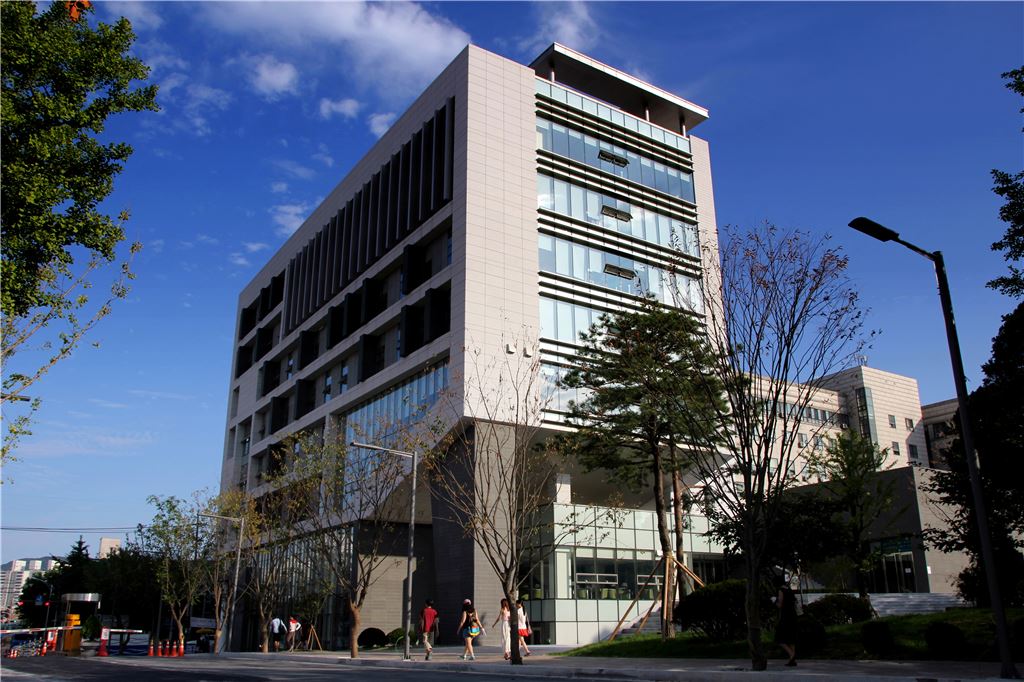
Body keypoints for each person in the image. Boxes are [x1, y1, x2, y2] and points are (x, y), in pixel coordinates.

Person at [775, 575, 798, 667]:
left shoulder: (781, 590)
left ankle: (792, 655)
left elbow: (780, 604)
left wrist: (774, 601)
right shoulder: (789, 590)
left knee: (780, 638)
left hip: (785, 616)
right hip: (793, 615)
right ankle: (792, 659)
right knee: (791, 638)